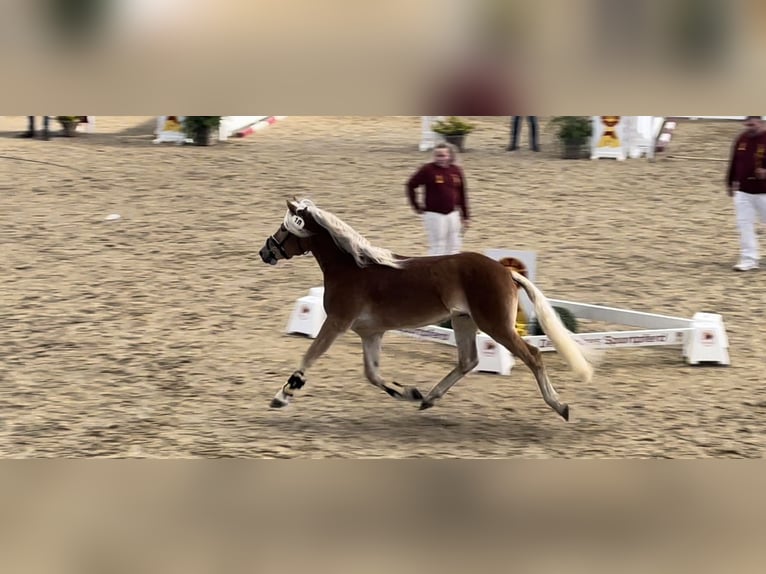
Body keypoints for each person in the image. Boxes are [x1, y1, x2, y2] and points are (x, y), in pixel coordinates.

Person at [406, 143, 470, 256]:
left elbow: (462, 193)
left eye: (443, 155)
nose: (440, 159)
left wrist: (465, 216)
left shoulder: (456, 170)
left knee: (454, 245)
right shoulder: (427, 170)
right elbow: (411, 185)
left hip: (453, 213)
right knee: (438, 245)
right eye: (437, 155)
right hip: (435, 214)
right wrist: (416, 206)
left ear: (449, 155)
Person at [726, 116, 766, 271]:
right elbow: (734, 161)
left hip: (764, 192)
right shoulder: (741, 139)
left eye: (753, 120)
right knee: (744, 225)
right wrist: (730, 182)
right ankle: (749, 259)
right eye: (748, 121)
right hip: (743, 191)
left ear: (760, 121)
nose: (750, 124)